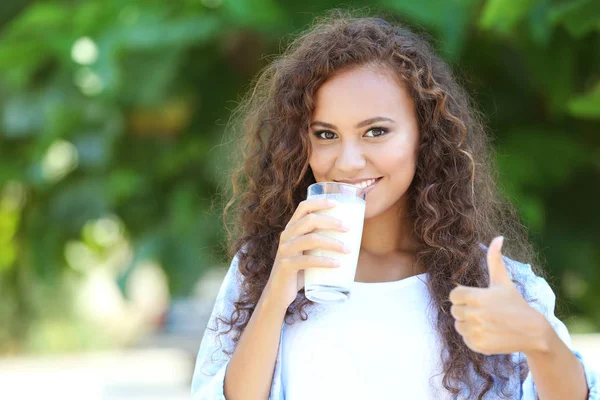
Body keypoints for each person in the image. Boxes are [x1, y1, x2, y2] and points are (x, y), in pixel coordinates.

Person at [191, 10, 599, 400]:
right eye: (326, 134)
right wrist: (277, 289)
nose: (348, 162)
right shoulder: (262, 269)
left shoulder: (491, 285)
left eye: (376, 131)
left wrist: (539, 339)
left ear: (424, 136)